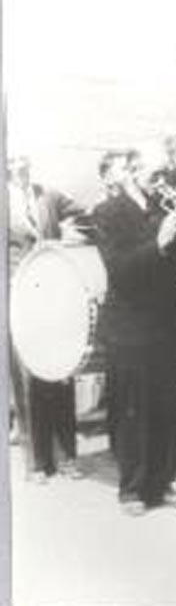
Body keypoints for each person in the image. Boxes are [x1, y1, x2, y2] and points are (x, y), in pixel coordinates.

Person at [91, 149, 176, 515]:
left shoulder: (163, 205)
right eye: (156, 173)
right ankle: (132, 489)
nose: (163, 180)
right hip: (130, 328)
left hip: (167, 323)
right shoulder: (107, 212)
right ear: (133, 172)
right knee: (132, 410)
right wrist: (161, 242)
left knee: (168, 407)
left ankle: (163, 483)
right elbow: (120, 270)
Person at [7, 154, 89, 482]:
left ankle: (68, 457)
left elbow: (85, 216)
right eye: (13, 165)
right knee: (29, 378)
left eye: (25, 165)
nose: (21, 170)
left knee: (61, 370)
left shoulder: (48, 195)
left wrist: (71, 234)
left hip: (54, 291)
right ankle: (38, 463)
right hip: (19, 295)